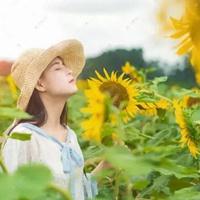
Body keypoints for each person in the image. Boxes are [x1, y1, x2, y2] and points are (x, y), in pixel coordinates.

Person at [2, 39, 106, 200]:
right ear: (40, 84)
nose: (70, 71)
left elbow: (77, 193)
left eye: (65, 65)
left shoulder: (69, 135)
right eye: (58, 67)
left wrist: (108, 165)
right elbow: (9, 193)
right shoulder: (23, 137)